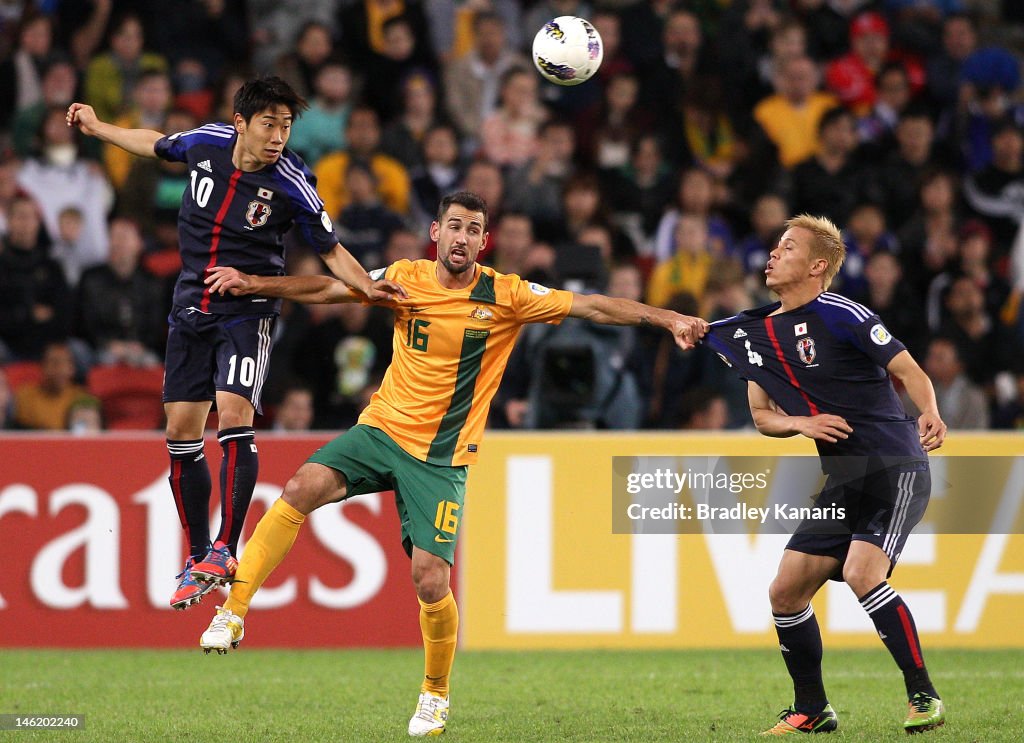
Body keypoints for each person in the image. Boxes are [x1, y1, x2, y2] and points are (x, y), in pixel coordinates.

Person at [195, 191, 707, 736]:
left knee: (429, 578)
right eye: (454, 226)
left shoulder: (506, 294)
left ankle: (435, 695)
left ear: (484, 242)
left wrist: (665, 316)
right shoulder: (404, 276)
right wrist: (255, 285)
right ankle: (234, 610)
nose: (462, 237)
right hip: (382, 429)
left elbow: (593, 306)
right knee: (299, 487)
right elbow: (333, 287)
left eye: (474, 230)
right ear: (435, 231)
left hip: (440, 458)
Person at [66, 75, 405, 611]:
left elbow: (331, 249)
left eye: (286, 126)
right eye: (269, 124)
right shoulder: (205, 142)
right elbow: (154, 144)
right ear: (241, 122)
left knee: (232, 412)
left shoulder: (293, 182)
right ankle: (200, 555)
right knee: (180, 431)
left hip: (247, 313)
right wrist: (97, 126)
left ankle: (227, 545)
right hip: (190, 308)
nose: (278, 137)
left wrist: (367, 285)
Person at [704, 214, 947, 735]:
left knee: (863, 572)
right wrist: (800, 422)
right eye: (774, 245)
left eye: (787, 247)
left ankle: (923, 695)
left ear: (817, 266)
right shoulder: (758, 332)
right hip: (843, 480)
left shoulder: (844, 314)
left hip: (894, 465)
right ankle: (812, 709)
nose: (773, 254)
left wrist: (928, 408)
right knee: (785, 592)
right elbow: (762, 415)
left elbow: (909, 370)